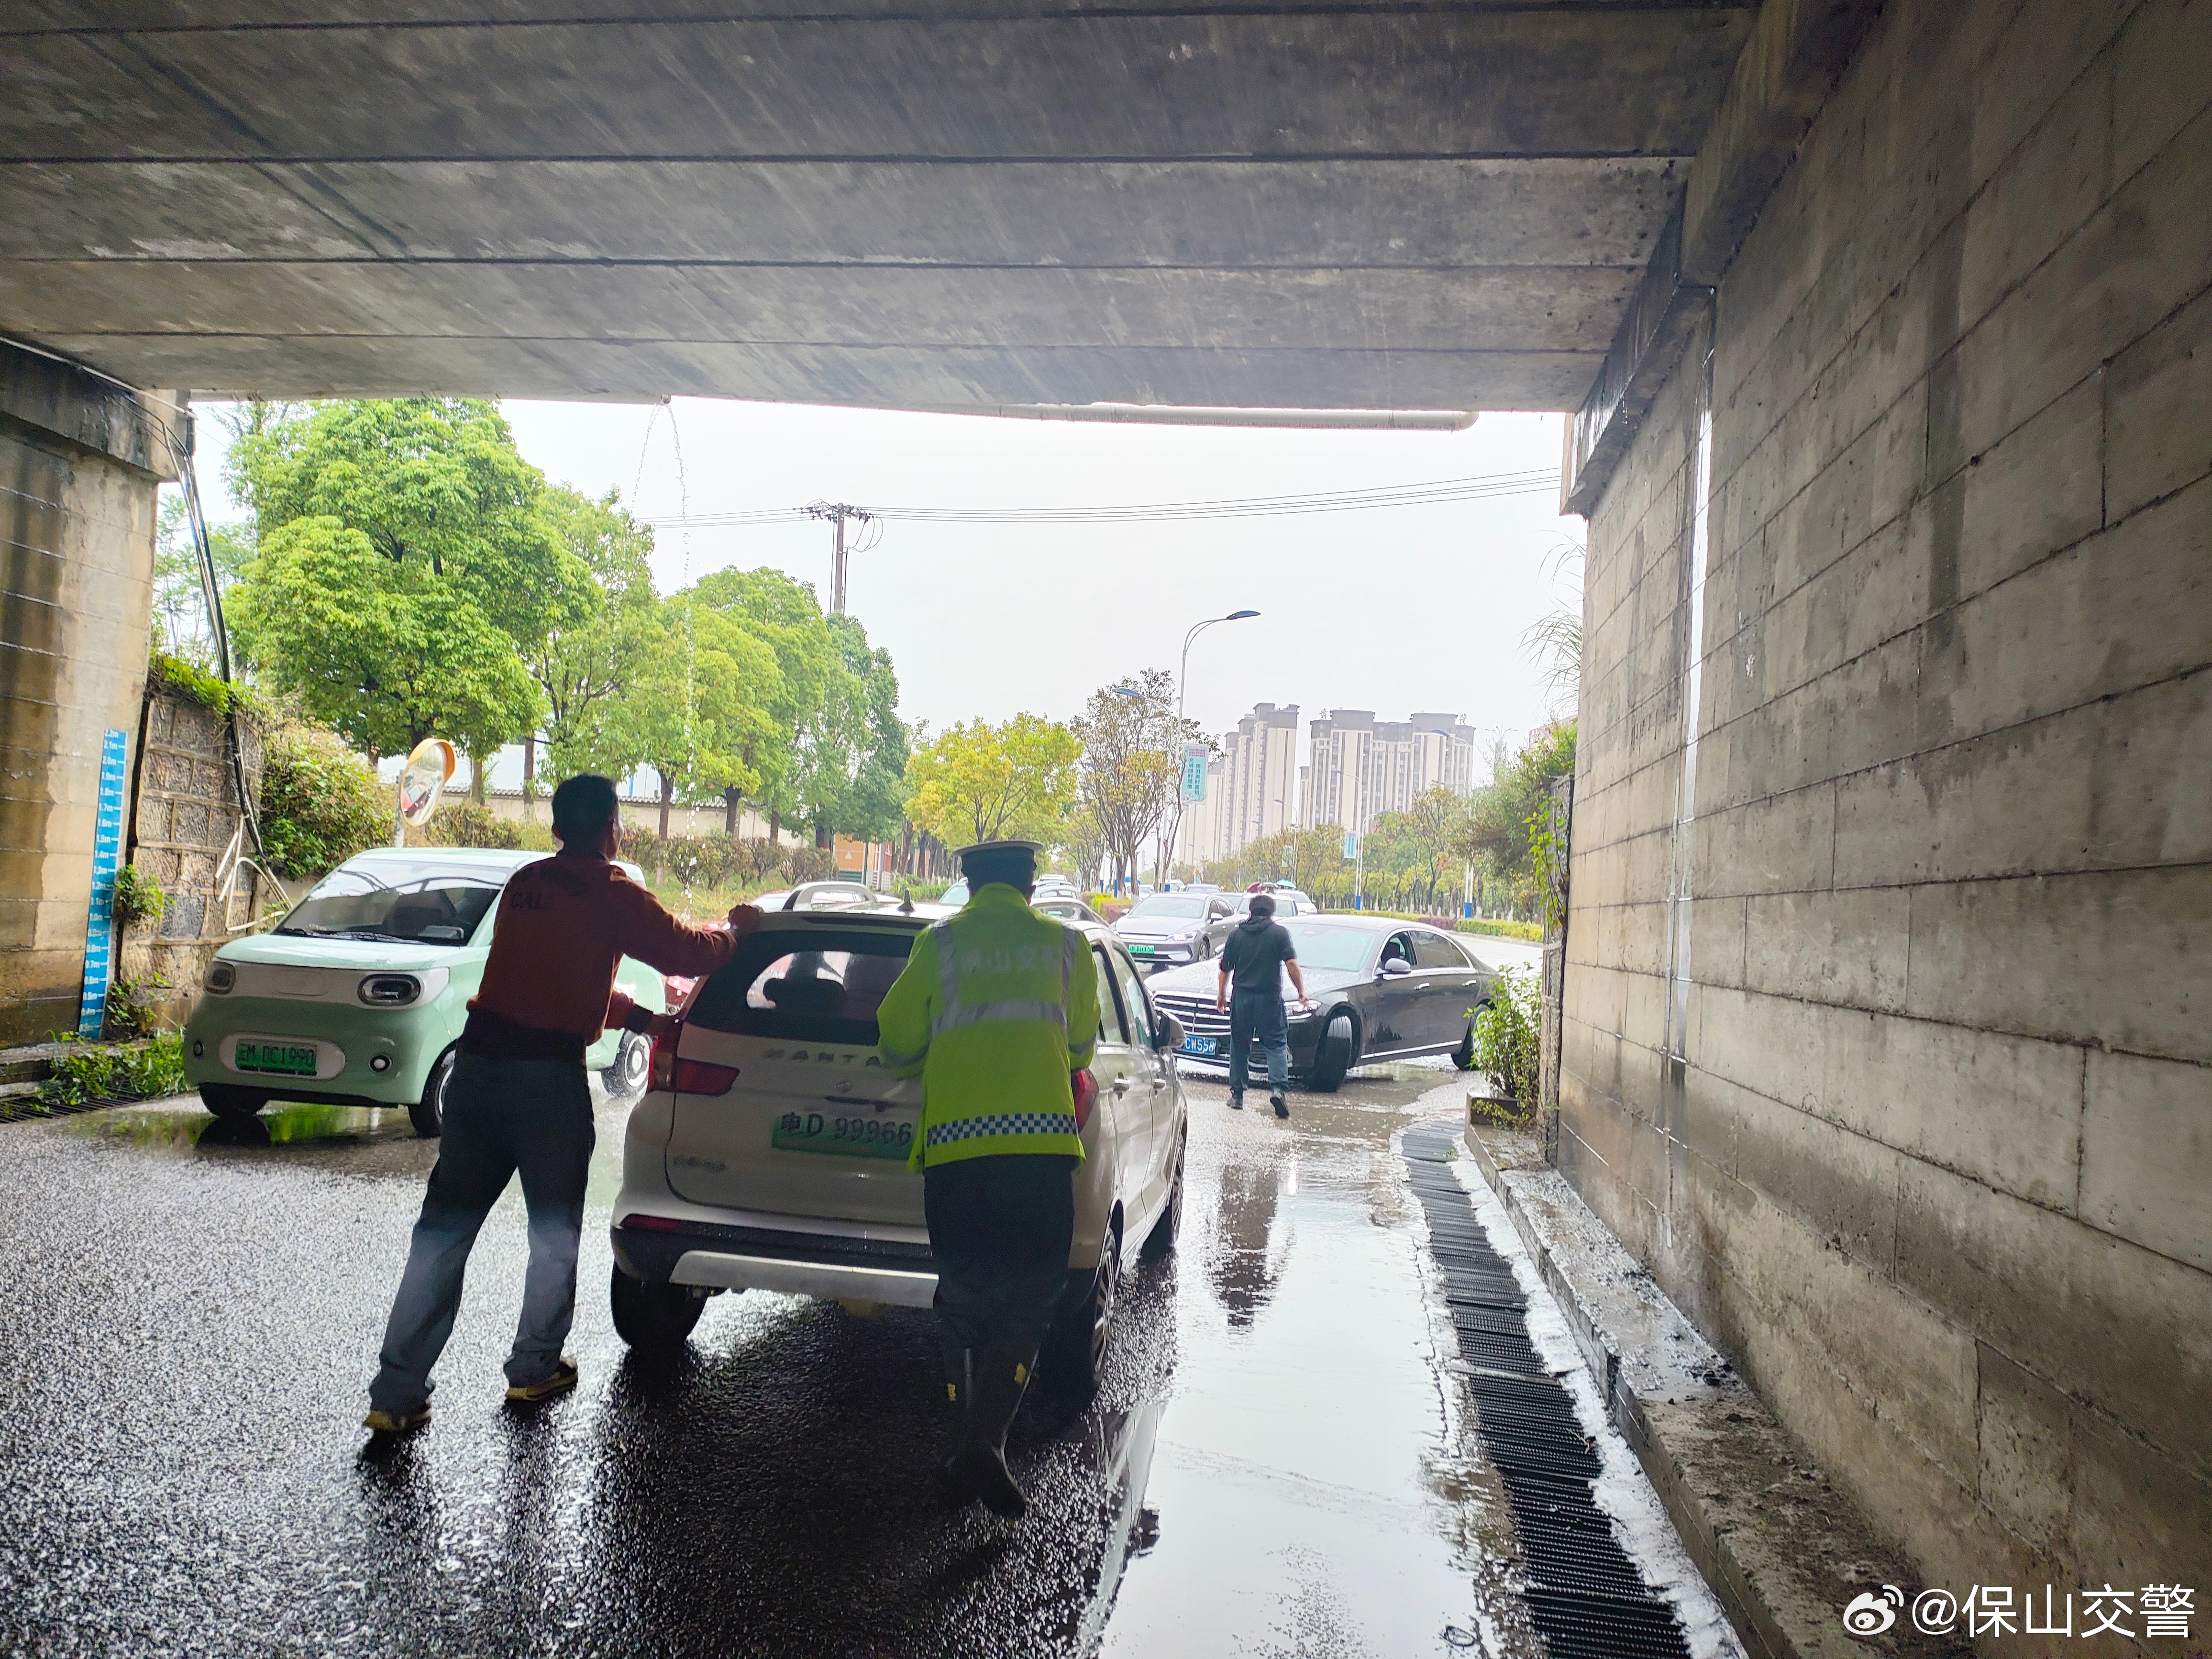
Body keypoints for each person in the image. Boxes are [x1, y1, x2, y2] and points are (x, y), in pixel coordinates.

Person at [363, 774, 760, 1436]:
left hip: (479, 1069)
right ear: (613, 829)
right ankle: (533, 1368)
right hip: (545, 1083)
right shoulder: (612, 893)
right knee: (551, 1234)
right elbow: (687, 950)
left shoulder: (527, 885)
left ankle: (395, 1392)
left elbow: (540, 983)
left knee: (441, 1234)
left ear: (554, 830)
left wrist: (637, 1019)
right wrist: (738, 934)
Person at [875, 838, 1100, 1518]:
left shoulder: (940, 946)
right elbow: (1083, 1046)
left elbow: (894, 1044)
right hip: (1040, 1159)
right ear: (1030, 887)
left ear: (968, 886)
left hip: (956, 1160)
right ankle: (987, 1443)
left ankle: (966, 1447)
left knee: (966, 1296)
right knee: (1030, 1298)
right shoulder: (1068, 948)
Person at [1215, 890, 1307, 1117]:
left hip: (1243, 999)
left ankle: (1237, 1096)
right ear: (1272, 913)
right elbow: (1292, 965)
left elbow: (1225, 968)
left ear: (1251, 911)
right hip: (1269, 999)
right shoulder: (1279, 933)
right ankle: (1277, 1089)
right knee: (1276, 1044)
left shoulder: (1237, 935)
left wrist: (1221, 995)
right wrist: (1301, 992)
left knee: (1240, 1046)